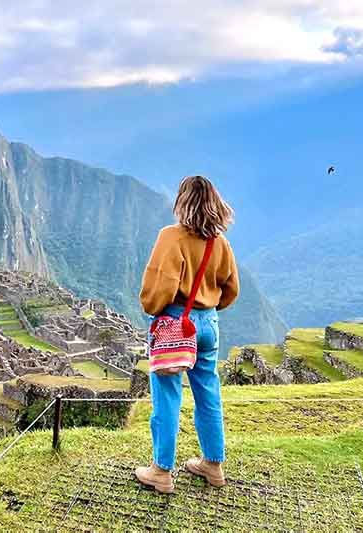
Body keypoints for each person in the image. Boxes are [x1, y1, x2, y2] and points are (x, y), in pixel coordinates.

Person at [135, 175, 240, 493]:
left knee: (167, 395)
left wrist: (156, 309)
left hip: (177, 324)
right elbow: (231, 287)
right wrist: (207, 310)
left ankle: (162, 470)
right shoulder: (219, 242)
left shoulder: (171, 237)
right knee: (208, 392)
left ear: (183, 203)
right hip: (209, 324)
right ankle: (213, 464)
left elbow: (158, 289)